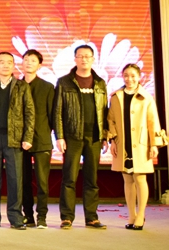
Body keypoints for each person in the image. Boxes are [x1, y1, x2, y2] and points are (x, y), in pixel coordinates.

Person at [54, 44, 109, 230]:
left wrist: (105, 135)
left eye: (87, 56)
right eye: (80, 56)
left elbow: (104, 111)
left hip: (94, 137)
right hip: (72, 137)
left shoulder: (100, 83)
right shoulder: (64, 82)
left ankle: (91, 217)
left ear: (93, 59)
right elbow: (58, 111)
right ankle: (67, 217)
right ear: (75, 59)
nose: (84, 59)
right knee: (69, 178)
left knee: (91, 179)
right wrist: (60, 136)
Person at [0, 52, 35, 230]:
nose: (5, 65)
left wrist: (27, 137)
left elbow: (30, 113)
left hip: (15, 138)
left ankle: (15, 217)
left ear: (14, 65)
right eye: (2, 62)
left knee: (15, 179)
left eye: (9, 62)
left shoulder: (22, 86)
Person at [108, 63, 162, 231]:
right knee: (127, 179)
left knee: (140, 179)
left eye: (133, 76)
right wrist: (113, 140)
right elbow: (111, 120)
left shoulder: (146, 97)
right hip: (123, 143)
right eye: (126, 75)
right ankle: (131, 214)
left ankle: (141, 215)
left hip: (141, 143)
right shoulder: (116, 96)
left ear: (139, 77)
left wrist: (154, 144)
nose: (129, 79)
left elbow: (153, 121)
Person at [20, 49, 55, 229]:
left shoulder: (47, 87)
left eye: (33, 60)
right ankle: (28, 216)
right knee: (23, 181)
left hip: (41, 140)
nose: (29, 63)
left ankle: (42, 216)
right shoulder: (16, 85)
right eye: (26, 59)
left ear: (39, 65)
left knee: (42, 182)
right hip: (19, 141)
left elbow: (52, 115)